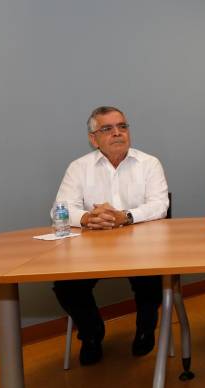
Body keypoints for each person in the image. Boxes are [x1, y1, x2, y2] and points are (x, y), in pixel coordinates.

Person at [52, 106, 169, 365]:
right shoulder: (78, 167)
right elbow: (59, 209)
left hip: (142, 246)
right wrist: (86, 218)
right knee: (66, 286)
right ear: (93, 138)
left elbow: (160, 205)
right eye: (107, 128)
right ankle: (92, 333)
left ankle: (145, 330)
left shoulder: (149, 163)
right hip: (92, 250)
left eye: (122, 127)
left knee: (150, 280)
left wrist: (124, 216)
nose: (117, 133)